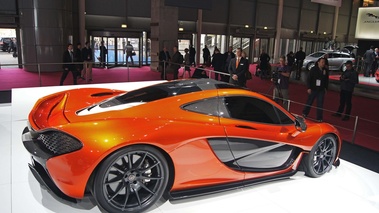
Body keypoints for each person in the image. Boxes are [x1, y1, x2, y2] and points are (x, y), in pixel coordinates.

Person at [302, 57, 329, 122]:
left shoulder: (325, 70)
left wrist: (326, 88)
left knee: (320, 104)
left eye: (324, 62)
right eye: (322, 62)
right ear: (318, 62)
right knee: (309, 101)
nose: (323, 63)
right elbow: (309, 79)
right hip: (313, 88)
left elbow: (326, 80)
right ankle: (305, 113)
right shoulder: (313, 69)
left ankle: (319, 118)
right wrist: (309, 87)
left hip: (321, 89)